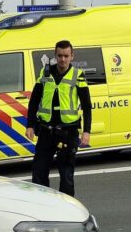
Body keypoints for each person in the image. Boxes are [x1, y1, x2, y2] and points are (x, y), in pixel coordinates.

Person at [25, 40, 91, 197]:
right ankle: (42, 207)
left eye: (66, 56)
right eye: (59, 55)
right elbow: (34, 100)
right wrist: (30, 125)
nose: (62, 59)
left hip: (68, 133)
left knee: (66, 176)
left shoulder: (78, 75)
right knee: (39, 173)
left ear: (72, 56)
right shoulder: (45, 72)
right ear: (55, 55)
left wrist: (87, 131)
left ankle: (67, 212)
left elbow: (87, 106)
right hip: (46, 131)